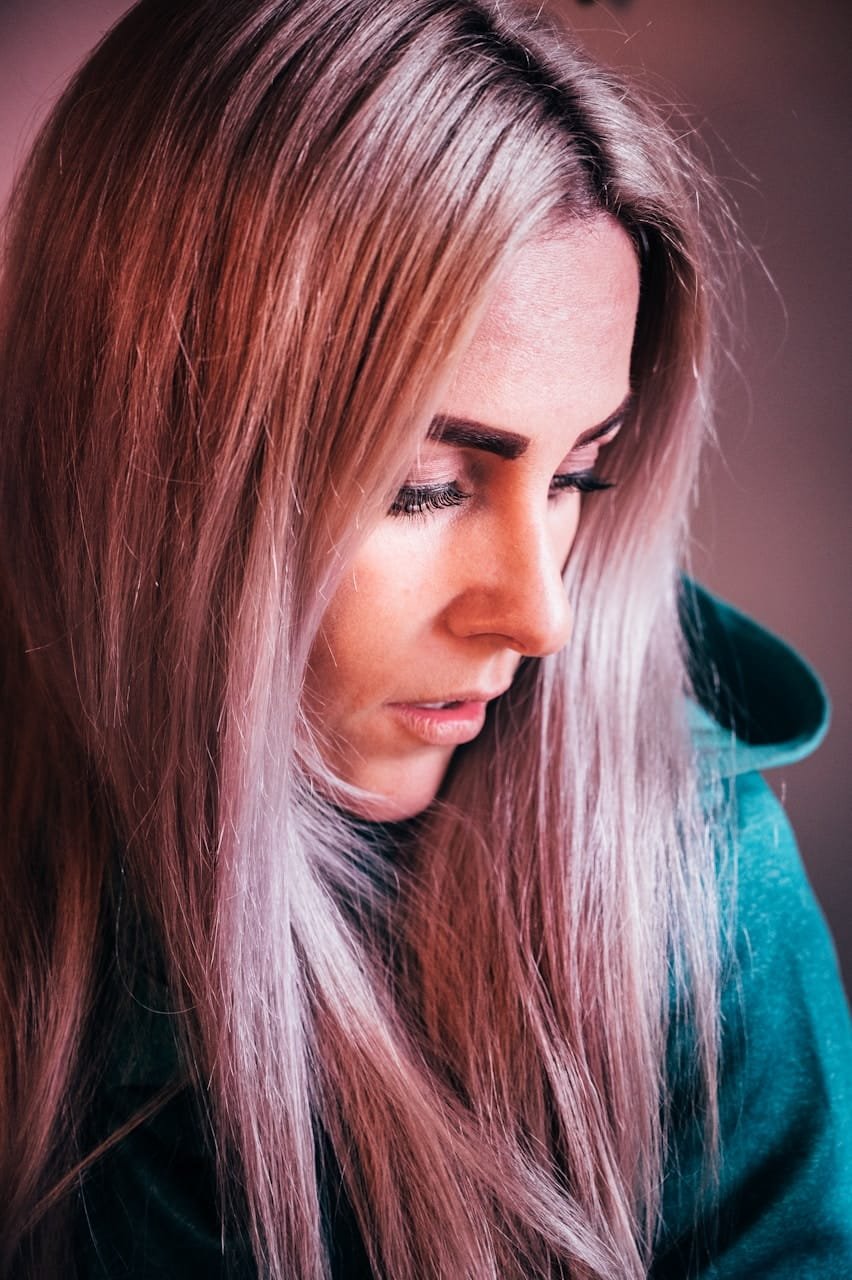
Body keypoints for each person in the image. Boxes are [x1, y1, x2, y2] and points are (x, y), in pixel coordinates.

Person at [0, 0, 849, 1276]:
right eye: (425, 484)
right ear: (143, 458)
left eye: (580, 477)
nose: (540, 616)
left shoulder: (691, 887)